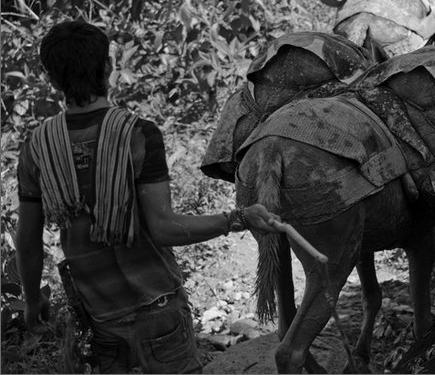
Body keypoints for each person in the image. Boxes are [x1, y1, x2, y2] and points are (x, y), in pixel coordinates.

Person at [15, 20, 281, 374]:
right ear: (108, 67)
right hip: (159, 314)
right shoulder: (138, 135)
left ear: (52, 78)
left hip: (99, 322)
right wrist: (239, 218)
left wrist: (32, 302)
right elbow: (164, 228)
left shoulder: (37, 148)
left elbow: (29, 242)